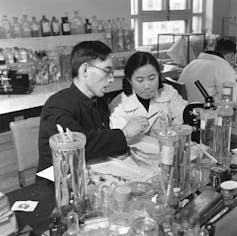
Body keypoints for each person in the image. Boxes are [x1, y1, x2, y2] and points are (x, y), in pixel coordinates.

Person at [38, 41, 149, 171]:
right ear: (85, 70)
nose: (112, 79)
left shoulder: (99, 100)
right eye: (107, 71)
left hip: (94, 172)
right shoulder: (57, 105)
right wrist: (124, 134)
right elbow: (78, 147)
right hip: (59, 182)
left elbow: (102, 138)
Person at [109, 51, 188, 135]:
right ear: (130, 81)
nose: (147, 86)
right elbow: (119, 139)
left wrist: (175, 129)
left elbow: (183, 115)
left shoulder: (168, 92)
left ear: (158, 75)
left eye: (152, 78)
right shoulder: (119, 104)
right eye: (140, 80)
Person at [179, 38, 237, 104]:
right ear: (231, 55)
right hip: (205, 111)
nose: (234, 63)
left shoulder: (193, 63)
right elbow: (232, 100)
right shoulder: (223, 67)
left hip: (186, 110)